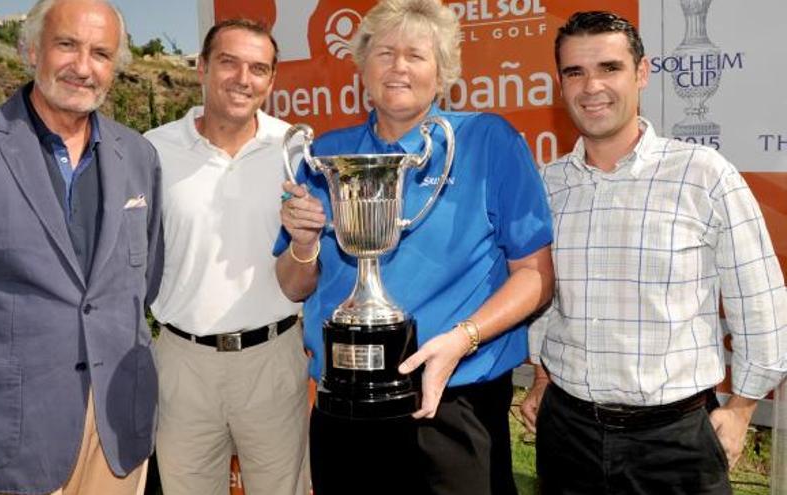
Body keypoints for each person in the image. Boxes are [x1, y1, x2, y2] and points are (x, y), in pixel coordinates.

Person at [276, 0, 554, 493]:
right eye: (384, 53)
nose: (398, 67)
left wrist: (462, 338)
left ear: (443, 71)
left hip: (454, 401)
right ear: (361, 66)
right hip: (347, 402)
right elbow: (294, 286)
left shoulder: (487, 140)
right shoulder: (326, 156)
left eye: (416, 55)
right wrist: (301, 244)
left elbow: (534, 274)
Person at [520, 10, 787, 494]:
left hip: (676, 441)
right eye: (574, 72)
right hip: (567, 434)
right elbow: (540, 294)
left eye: (609, 68)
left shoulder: (703, 175)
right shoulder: (547, 184)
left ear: (641, 73)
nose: (591, 86)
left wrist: (744, 408)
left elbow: (761, 300)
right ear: (560, 85)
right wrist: (541, 375)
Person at [0, 0, 164, 493]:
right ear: (30, 50)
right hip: (9, 428)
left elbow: (144, 278)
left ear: (115, 67)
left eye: (101, 53)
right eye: (66, 45)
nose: (83, 67)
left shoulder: (138, 155)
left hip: (114, 427)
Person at [145, 19, 309, 495]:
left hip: (273, 360)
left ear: (272, 80)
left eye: (258, 68)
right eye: (229, 62)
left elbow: (310, 265)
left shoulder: (296, 149)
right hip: (182, 363)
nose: (243, 78)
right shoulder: (153, 150)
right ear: (202, 67)